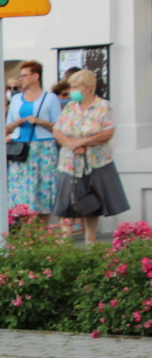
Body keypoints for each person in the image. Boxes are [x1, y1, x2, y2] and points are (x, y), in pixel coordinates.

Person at [53, 69, 128, 245]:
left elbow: (108, 132)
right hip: (69, 163)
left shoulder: (103, 106)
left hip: (95, 163)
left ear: (87, 88)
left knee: (90, 202)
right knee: (65, 203)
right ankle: (63, 242)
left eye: (75, 87)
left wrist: (83, 142)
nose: (72, 90)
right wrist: (71, 144)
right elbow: (58, 130)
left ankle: (90, 241)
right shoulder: (70, 107)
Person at [1, 62, 60, 217]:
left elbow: (59, 126)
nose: (21, 79)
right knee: (21, 192)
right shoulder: (16, 99)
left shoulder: (50, 98)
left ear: (35, 76)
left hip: (44, 149)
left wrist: (41, 122)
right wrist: (15, 124)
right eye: (20, 76)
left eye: (24, 76)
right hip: (21, 150)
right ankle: (26, 231)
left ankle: (41, 231)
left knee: (43, 190)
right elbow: (6, 128)